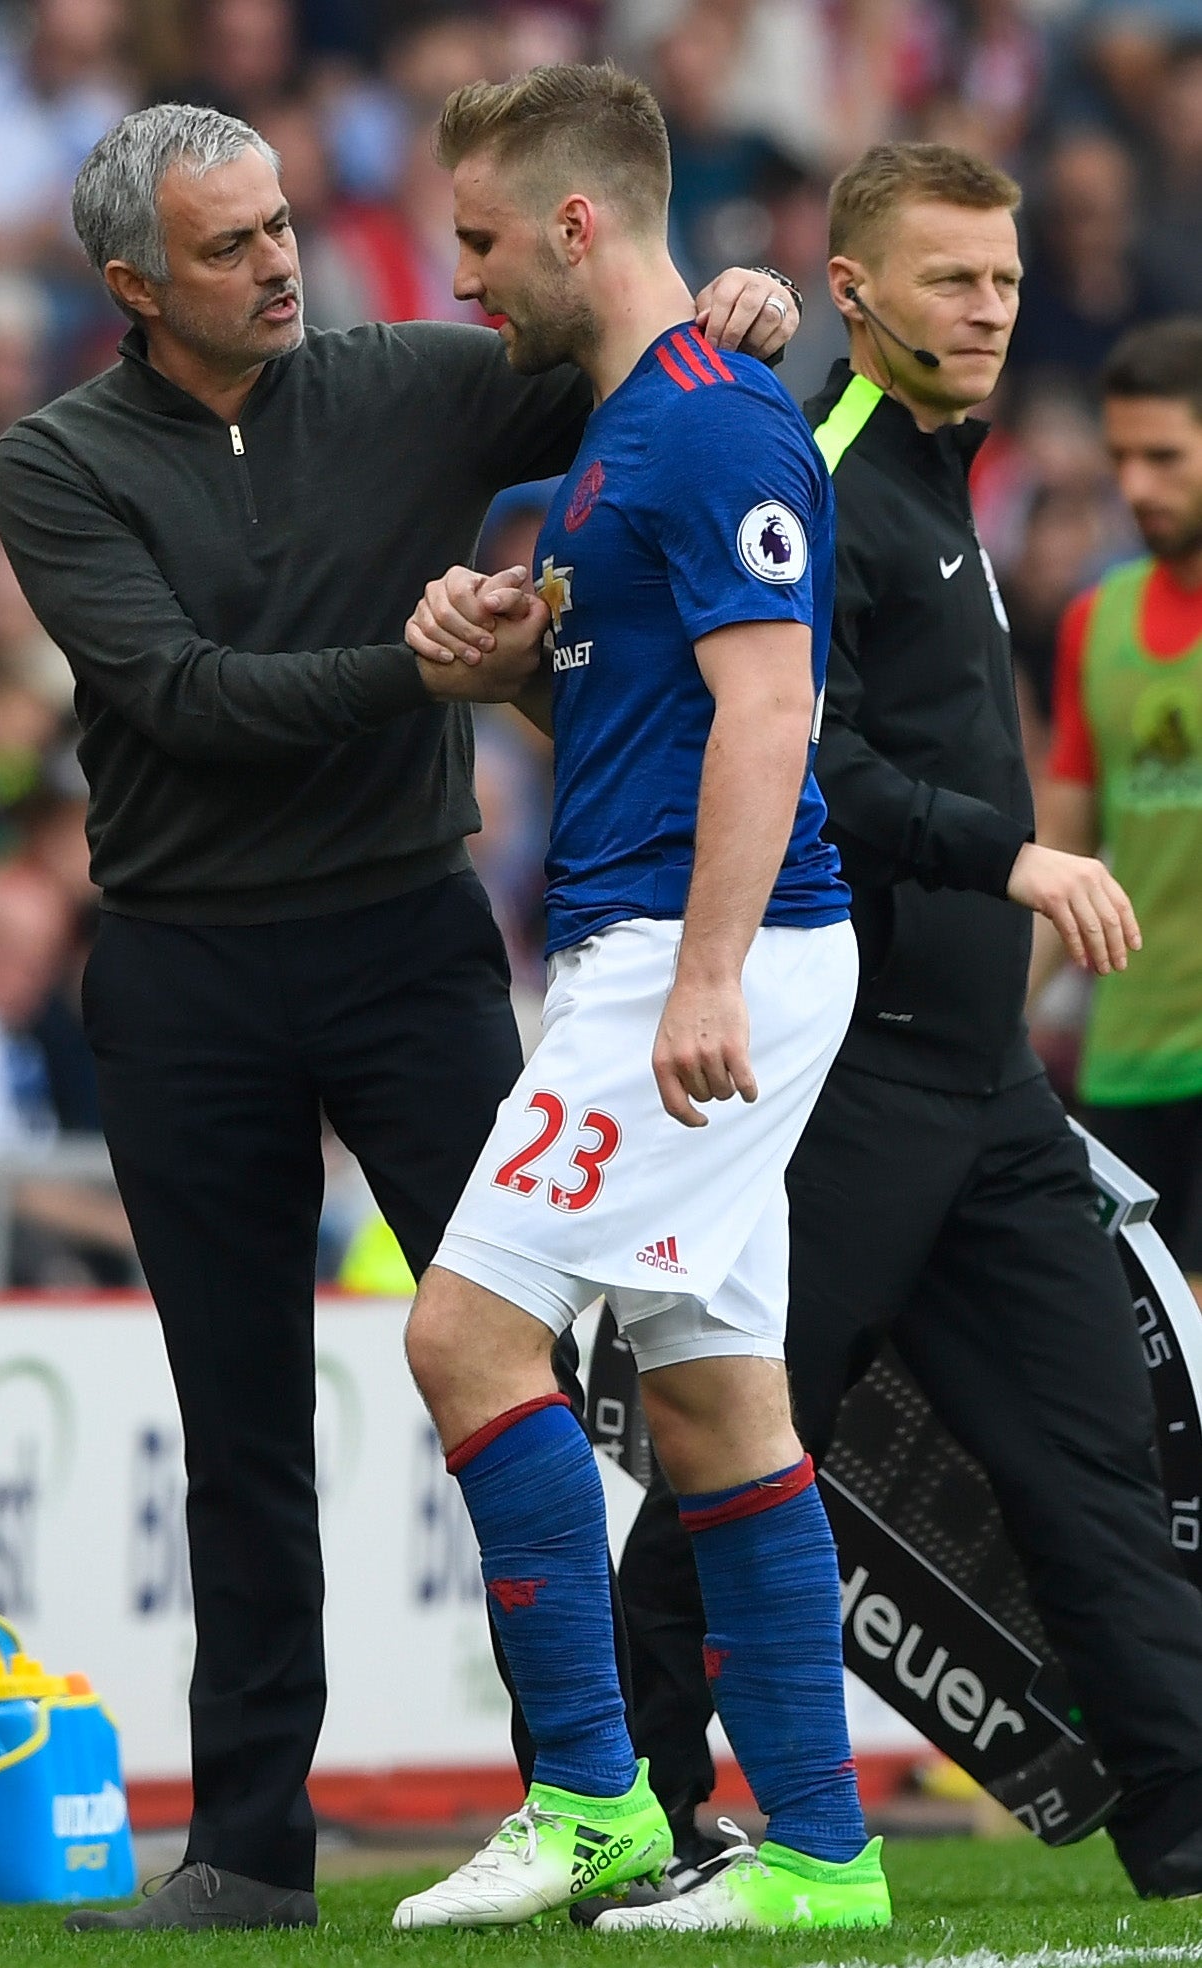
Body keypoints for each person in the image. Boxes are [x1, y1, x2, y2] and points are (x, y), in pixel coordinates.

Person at [0, 99, 799, 1933]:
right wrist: (433, 666)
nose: (280, 260)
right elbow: (184, 698)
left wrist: (735, 310)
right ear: (133, 284)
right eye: (228, 246)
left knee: (543, 1379)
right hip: (186, 969)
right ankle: (252, 1853)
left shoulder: (416, 379)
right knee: (242, 1427)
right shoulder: (54, 462)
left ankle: (638, 1805)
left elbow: (628, 358)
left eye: (279, 223)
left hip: (411, 942)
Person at [603, 143, 1202, 1915]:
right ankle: (624, 1792)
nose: (992, 307)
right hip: (848, 1075)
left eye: (1005, 280)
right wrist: (1012, 855)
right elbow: (804, 753)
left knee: (1093, 1458)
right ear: (851, 293)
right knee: (739, 1439)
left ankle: (1183, 1820)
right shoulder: (825, 474)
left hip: (986, 1082)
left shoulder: (951, 488)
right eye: (951, 279)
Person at [391, 64, 889, 1935]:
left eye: (482, 236)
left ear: (579, 221)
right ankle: (827, 1861)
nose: (467, 277)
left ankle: (592, 1802)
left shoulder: (708, 429)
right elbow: (652, 713)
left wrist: (698, 978)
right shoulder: (615, 444)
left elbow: (776, 710)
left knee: (461, 1340)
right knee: (712, 1412)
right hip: (676, 945)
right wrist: (504, 665)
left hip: (702, 953)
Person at [1033, 318, 1202, 1304]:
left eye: (1166, 457)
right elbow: (1065, 844)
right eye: (1122, 458)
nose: (1136, 486)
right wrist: (997, 1021)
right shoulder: (1097, 622)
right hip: (1126, 1060)